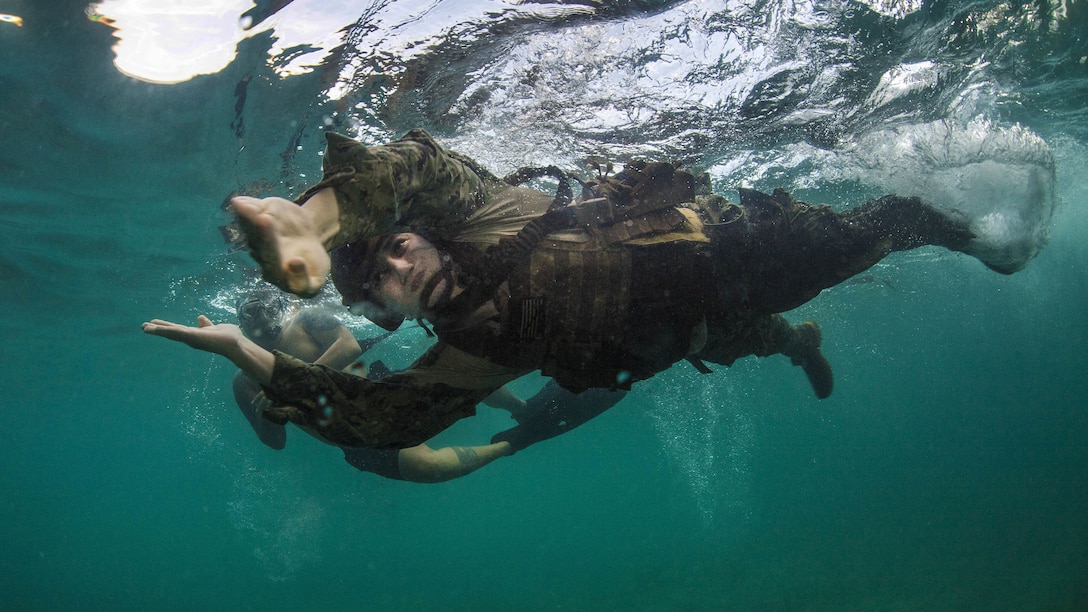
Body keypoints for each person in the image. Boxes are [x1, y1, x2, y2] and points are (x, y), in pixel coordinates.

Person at [143, 128, 1035, 450]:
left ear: (418, 230)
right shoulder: (467, 356)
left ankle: (985, 243)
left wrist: (315, 217)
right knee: (748, 339)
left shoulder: (481, 212)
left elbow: (416, 164)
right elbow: (378, 421)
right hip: (693, 330)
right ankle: (796, 341)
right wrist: (240, 349)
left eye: (397, 248)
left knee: (891, 221)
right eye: (378, 278)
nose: (400, 267)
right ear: (381, 307)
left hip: (732, 253)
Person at [230, 289, 624, 482]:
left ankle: (522, 409)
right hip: (351, 436)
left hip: (375, 388)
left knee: (457, 381)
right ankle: (513, 442)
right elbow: (274, 441)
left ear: (282, 317)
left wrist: (293, 383)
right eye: (259, 340)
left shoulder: (307, 320)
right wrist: (267, 414)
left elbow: (348, 345)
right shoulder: (244, 381)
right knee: (428, 468)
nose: (268, 344)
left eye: (273, 334)